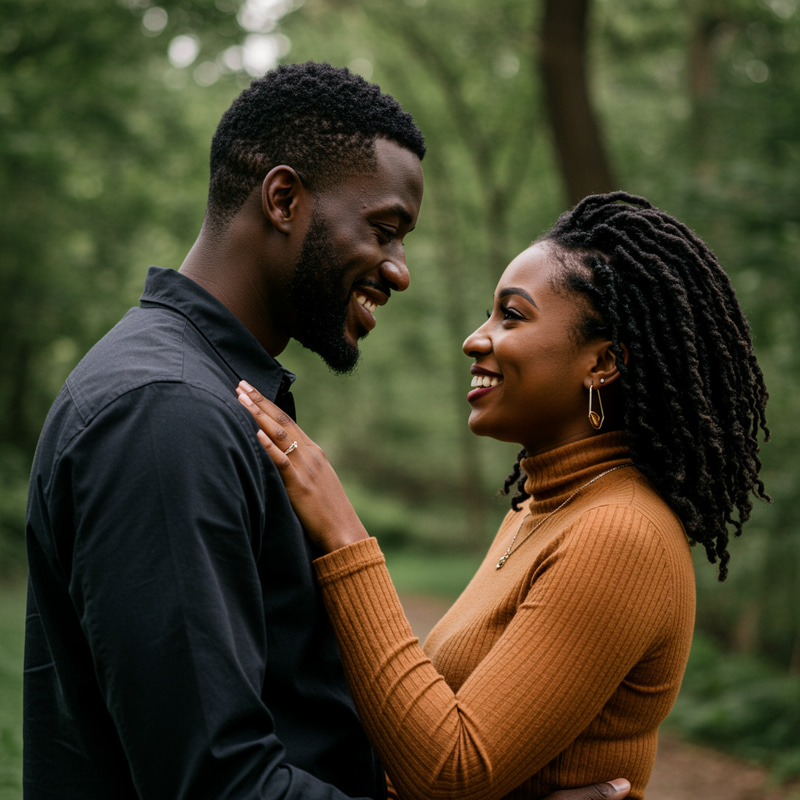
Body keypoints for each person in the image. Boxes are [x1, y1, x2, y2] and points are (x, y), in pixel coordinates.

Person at [23, 60, 629, 800]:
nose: (400, 271)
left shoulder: (217, 394)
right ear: (284, 198)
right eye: (385, 230)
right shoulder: (164, 414)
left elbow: (288, 727)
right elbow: (219, 784)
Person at [235, 191, 771, 800]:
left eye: (511, 316)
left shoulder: (621, 533)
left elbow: (450, 772)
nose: (475, 339)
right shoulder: (540, 508)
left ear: (603, 363)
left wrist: (344, 535)